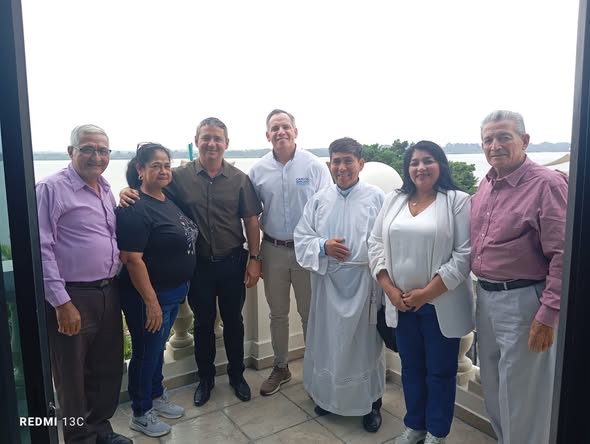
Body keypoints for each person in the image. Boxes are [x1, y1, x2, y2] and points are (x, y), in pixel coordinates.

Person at [120, 117, 262, 407]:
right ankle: (205, 379)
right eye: (206, 137)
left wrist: (255, 259)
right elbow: (150, 188)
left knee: (234, 321)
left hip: (233, 261)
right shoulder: (178, 177)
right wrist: (127, 190)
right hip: (199, 267)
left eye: (217, 138)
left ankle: (237, 375)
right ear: (197, 141)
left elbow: (251, 220)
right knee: (203, 323)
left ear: (226, 143)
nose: (211, 143)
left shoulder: (239, 179)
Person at [368, 141, 474, 444]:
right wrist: (389, 289)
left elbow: (464, 255)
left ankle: (437, 433)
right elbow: (374, 244)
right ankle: (414, 426)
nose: (420, 167)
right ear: (407, 168)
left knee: (440, 372)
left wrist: (425, 294)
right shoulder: (394, 199)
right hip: (402, 304)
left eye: (428, 160)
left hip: (440, 303)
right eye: (414, 162)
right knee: (411, 369)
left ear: (441, 164)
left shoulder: (457, 201)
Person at [472, 110, 567, 444]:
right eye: (488, 139)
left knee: (524, 397)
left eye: (504, 137)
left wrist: (549, 313)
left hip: (525, 302)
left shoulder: (547, 184)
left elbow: (563, 254)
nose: (494, 145)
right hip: (486, 298)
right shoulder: (486, 184)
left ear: (524, 141)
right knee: (494, 387)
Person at [36, 125, 131, 444]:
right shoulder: (51, 189)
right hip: (72, 295)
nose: (97, 156)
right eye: (88, 148)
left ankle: (101, 430)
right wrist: (61, 302)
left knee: (107, 367)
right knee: (72, 375)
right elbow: (41, 248)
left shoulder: (105, 187)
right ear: (71, 151)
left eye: (103, 150)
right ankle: (79, 438)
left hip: (108, 291)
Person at [294, 137, 385, 432]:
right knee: (329, 344)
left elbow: (389, 239)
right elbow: (302, 238)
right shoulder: (319, 199)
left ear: (361, 164)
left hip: (364, 285)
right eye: (336, 161)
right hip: (327, 284)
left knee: (364, 348)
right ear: (329, 164)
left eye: (348, 161)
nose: (342, 167)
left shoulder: (377, 198)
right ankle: (328, 397)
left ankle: (371, 403)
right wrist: (323, 246)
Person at [116, 143, 198, 437]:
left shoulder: (167, 197)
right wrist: (150, 303)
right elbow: (132, 259)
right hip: (149, 296)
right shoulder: (134, 208)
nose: (163, 170)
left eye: (166, 165)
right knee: (145, 353)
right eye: (155, 165)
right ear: (140, 170)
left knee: (157, 349)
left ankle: (155, 394)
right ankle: (141, 412)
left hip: (174, 292)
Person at [249, 109, 331, 396]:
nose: (280, 132)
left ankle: (315, 369)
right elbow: (251, 216)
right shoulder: (258, 171)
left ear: (295, 131)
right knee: (278, 314)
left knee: (310, 314)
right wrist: (254, 256)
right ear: (267, 135)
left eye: (285, 126)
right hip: (273, 250)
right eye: (275, 128)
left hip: (308, 251)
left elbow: (328, 209)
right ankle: (281, 367)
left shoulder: (314, 166)